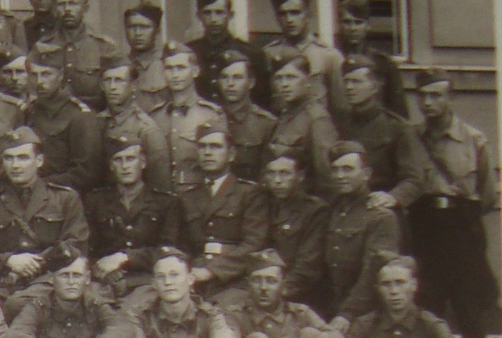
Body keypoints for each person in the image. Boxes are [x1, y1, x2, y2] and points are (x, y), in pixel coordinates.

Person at [410, 67, 501, 338]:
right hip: (425, 234)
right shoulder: (413, 138)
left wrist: (458, 215)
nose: (429, 102)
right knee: (427, 318)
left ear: (451, 97)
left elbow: (488, 196)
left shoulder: (473, 140)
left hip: (462, 235)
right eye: (424, 96)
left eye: (436, 95)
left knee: (472, 320)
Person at [0, 127, 88, 307]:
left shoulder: (64, 198)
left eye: (23, 158)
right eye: (8, 158)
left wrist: (36, 263)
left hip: (49, 280)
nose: (15, 165)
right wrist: (9, 260)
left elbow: (75, 244)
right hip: (5, 282)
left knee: (18, 304)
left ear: (39, 160)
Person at [177, 124, 269, 306]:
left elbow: (254, 244)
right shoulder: (188, 196)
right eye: (202, 147)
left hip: (234, 279)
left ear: (231, 154)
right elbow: (181, 244)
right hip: (194, 277)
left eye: (215, 147)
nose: (207, 153)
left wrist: (212, 270)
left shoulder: (249, 193)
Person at [83, 135, 178, 305]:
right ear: (111, 166)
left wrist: (125, 257)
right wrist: (101, 270)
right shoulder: (96, 201)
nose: (125, 166)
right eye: (118, 160)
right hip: (104, 282)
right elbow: (86, 247)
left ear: (143, 162)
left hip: (146, 282)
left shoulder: (165, 203)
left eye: (130, 159)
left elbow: (169, 251)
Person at [321, 141, 402, 328]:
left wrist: (347, 314)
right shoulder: (333, 210)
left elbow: (373, 272)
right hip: (333, 307)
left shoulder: (380, 216)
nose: (340, 176)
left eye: (347, 169)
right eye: (335, 170)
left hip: (367, 315)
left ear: (366, 174)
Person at [335, 57, 428, 214]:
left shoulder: (396, 127)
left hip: (381, 210)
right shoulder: (340, 124)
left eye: (356, 82)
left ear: (374, 87)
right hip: (346, 209)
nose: (349, 87)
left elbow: (414, 179)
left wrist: (392, 197)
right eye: (346, 81)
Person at [256, 151, 329, 309]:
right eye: (271, 173)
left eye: (285, 174)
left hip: (299, 296)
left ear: (300, 176)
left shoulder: (315, 210)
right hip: (262, 290)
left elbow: (309, 263)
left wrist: (281, 292)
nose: (277, 180)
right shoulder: (261, 204)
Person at [20, 50, 100, 193]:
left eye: (46, 74)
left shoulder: (79, 115)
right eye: (34, 75)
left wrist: (38, 184)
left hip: (63, 196)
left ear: (61, 75)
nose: (39, 82)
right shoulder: (30, 111)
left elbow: (85, 174)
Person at [262, 0, 345, 119]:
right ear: (276, 18)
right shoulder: (268, 54)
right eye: (283, 14)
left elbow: (340, 107)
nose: (289, 19)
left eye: (295, 13)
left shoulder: (328, 56)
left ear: (308, 15)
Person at [264, 55, 339, 195]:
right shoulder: (284, 115)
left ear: (308, 81)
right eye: (279, 78)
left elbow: (326, 174)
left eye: (291, 77)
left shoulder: (317, 118)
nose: (284, 84)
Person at [151, 44, 220, 193]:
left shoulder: (211, 114)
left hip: (197, 195)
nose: (175, 75)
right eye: (169, 68)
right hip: (161, 195)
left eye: (181, 68)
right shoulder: (155, 116)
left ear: (195, 71)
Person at [186, 0, 271, 107]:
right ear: (199, 16)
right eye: (207, 13)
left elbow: (262, 98)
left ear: (230, 15)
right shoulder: (190, 52)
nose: (213, 19)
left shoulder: (251, 53)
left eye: (219, 12)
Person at [36, 0, 118, 108]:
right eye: (62, 4)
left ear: (85, 8)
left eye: (73, 4)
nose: (67, 9)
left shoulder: (104, 47)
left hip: (93, 115)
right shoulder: (42, 47)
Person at [96, 57, 169, 191]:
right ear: (101, 85)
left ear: (134, 85)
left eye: (119, 80)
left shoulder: (146, 128)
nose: (112, 87)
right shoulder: (96, 122)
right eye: (108, 80)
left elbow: (159, 182)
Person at [335, 0, 409, 117]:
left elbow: (398, 110)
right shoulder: (333, 60)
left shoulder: (383, 63)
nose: (353, 28)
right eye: (347, 22)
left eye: (358, 22)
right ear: (339, 25)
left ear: (368, 25)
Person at [214, 53, 276, 182]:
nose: (230, 84)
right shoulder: (210, 117)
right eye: (224, 77)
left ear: (251, 82)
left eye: (237, 78)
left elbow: (269, 172)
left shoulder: (266, 123)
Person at [123, 2, 169, 114]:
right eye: (132, 27)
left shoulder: (167, 65)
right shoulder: (119, 66)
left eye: (144, 27)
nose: (137, 33)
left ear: (157, 31)